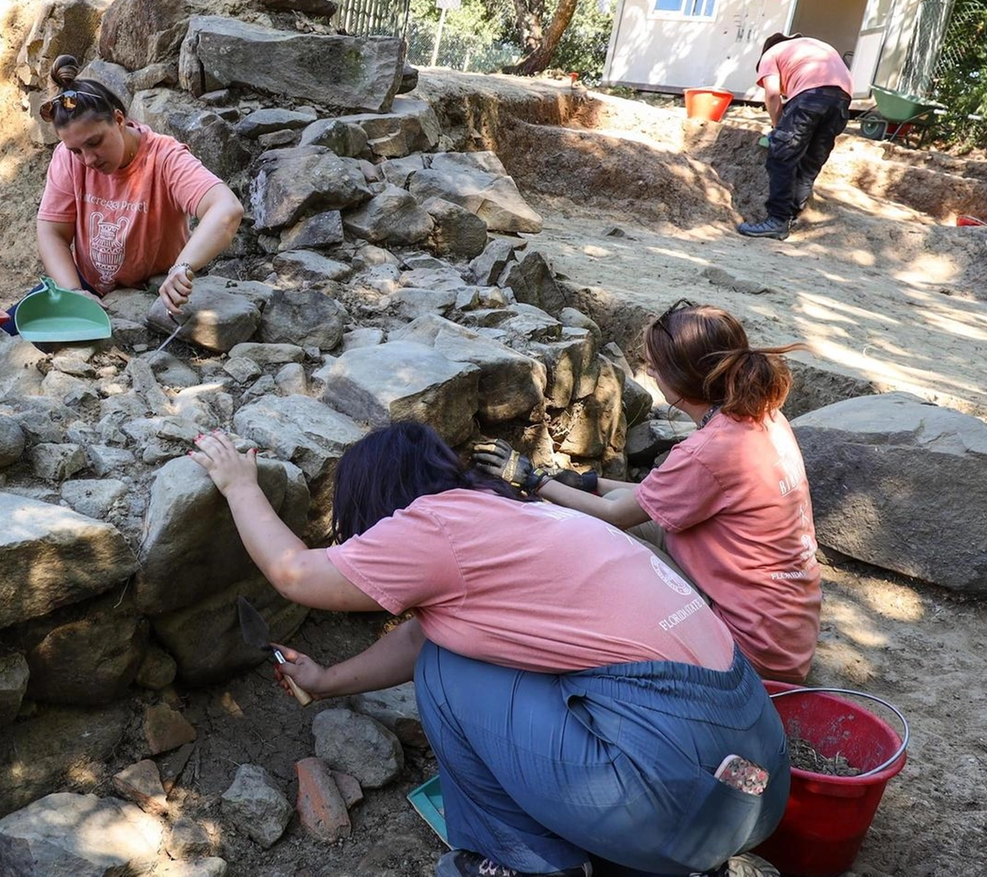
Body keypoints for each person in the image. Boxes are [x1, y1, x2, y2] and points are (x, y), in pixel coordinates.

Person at [190, 422, 788, 877]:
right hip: (757, 785)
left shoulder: (430, 525)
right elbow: (427, 629)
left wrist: (240, 485)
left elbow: (295, 574)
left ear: (376, 501)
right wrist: (326, 680)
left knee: (446, 671)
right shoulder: (520, 518)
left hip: (672, 798)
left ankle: (516, 863)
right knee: (456, 651)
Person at [474, 301, 819, 684]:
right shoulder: (762, 417)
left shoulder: (709, 452)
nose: (650, 371)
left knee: (597, 538)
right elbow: (661, 494)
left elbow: (615, 516)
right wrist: (591, 482)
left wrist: (535, 479)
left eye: (656, 365)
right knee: (606, 513)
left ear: (684, 377)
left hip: (748, 653)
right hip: (784, 637)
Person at [22, 54, 244, 326]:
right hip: (84, 284)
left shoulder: (164, 157)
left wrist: (183, 266)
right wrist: (74, 293)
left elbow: (226, 208)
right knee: (11, 328)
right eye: (76, 150)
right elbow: (51, 231)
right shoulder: (67, 159)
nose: (88, 159)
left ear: (118, 120)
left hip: (155, 289)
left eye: (95, 142)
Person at [737, 34, 853, 240]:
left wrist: (777, 129)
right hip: (842, 100)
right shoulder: (812, 46)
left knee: (782, 157)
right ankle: (791, 216)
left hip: (810, 97)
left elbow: (773, 95)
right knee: (809, 163)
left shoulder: (770, 54)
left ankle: (777, 221)